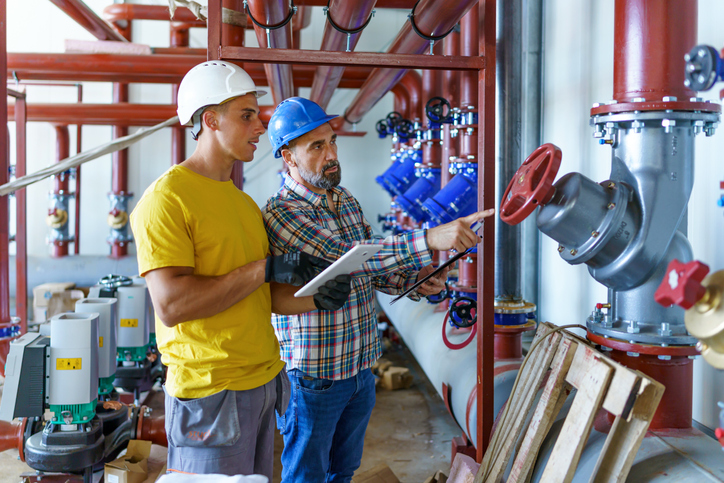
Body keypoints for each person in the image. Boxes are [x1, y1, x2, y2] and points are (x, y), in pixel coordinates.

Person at [129, 63, 352, 478]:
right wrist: (264, 268)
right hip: (211, 390)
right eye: (247, 115)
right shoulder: (167, 198)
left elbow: (261, 296)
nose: (259, 126)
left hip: (264, 381)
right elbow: (172, 305)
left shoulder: (244, 204)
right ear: (210, 120)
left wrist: (315, 296)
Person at [262, 97, 495, 482]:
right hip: (316, 377)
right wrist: (430, 238)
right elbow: (344, 258)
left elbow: (365, 270)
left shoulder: (345, 200)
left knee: (343, 471)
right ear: (288, 157)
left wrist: (413, 281)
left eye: (332, 142)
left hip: (360, 368)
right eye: (316, 147)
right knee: (307, 476)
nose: (331, 154)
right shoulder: (284, 213)